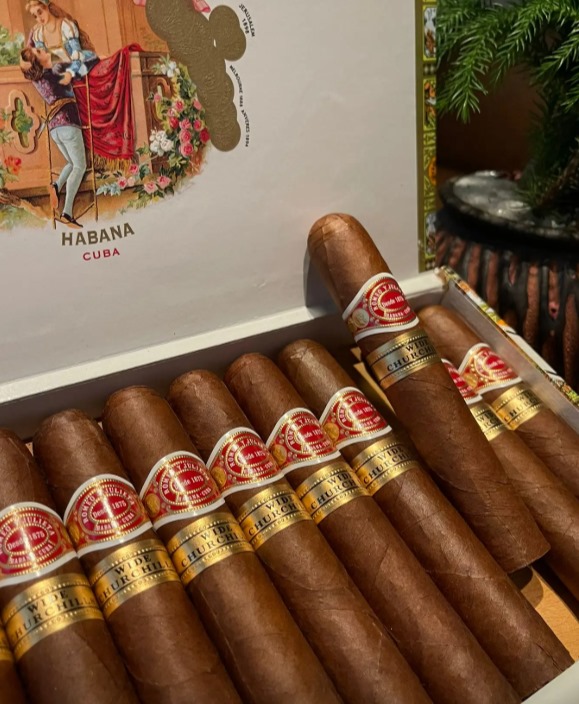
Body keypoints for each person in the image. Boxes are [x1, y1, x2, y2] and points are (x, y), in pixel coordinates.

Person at [20, 46, 86, 228]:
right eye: (38, 52)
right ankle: (67, 213)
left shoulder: (38, 79)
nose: (41, 48)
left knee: (71, 163)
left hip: (54, 127)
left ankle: (56, 186)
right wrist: (64, 54)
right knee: (80, 166)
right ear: (39, 62)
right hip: (68, 123)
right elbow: (77, 68)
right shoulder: (56, 70)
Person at [26, 0, 98, 83]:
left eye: (40, 12)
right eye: (35, 16)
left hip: (78, 62)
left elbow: (77, 54)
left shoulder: (66, 26)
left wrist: (70, 72)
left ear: (47, 8)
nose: (39, 18)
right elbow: (42, 60)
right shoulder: (38, 34)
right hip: (60, 68)